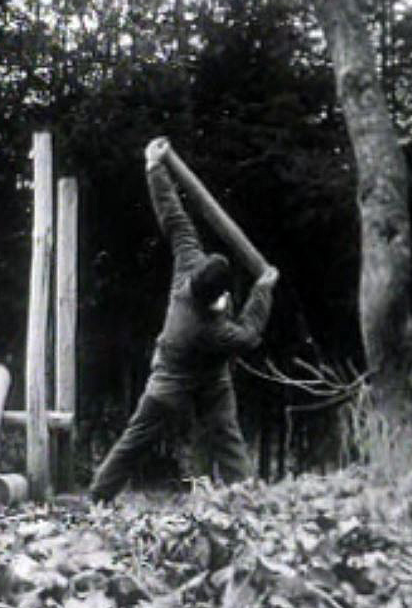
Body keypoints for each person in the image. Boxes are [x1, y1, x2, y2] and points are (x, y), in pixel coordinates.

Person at [89, 138, 280, 502]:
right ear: (218, 299)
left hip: (210, 378)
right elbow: (250, 334)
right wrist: (263, 290)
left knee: (227, 436)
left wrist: (154, 167)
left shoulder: (189, 267)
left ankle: (249, 501)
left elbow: (174, 217)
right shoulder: (211, 329)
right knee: (139, 436)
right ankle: (98, 496)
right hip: (171, 380)